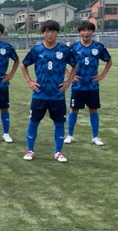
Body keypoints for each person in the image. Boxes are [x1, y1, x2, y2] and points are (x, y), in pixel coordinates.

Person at [20, 20, 77, 163]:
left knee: (59, 123)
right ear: (43, 33)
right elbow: (23, 65)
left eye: (52, 31)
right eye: (47, 31)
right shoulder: (36, 50)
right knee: (34, 122)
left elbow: (75, 65)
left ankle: (58, 152)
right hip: (39, 94)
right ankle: (30, 150)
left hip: (57, 95)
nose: (50, 34)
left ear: (57, 33)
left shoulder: (64, 50)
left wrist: (68, 81)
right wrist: (29, 81)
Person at [64, 20, 113, 146]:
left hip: (92, 85)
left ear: (92, 32)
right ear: (79, 32)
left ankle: (95, 137)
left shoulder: (98, 47)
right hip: (77, 86)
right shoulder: (73, 47)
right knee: (73, 109)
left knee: (93, 110)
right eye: (83, 30)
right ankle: (70, 135)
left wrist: (102, 75)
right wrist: (69, 75)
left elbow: (109, 61)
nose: (86, 33)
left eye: (89, 30)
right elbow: (62, 61)